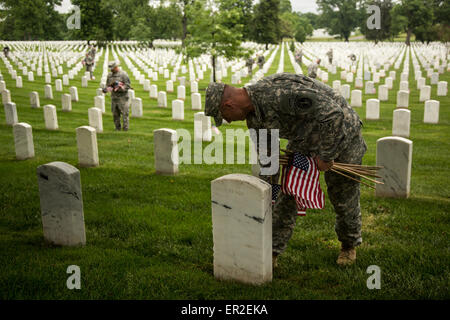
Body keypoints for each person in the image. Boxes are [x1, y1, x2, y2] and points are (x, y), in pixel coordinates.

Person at [205, 73, 367, 267]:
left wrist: (326, 156)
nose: (228, 122)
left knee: (343, 195)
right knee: (287, 193)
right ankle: (272, 251)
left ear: (228, 106)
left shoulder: (280, 96)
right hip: (305, 139)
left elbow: (333, 115)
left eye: (224, 117)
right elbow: (269, 162)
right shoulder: (254, 119)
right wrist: (267, 196)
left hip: (342, 132)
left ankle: (348, 245)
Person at [103, 61, 132, 131]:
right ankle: (117, 128)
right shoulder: (109, 75)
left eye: (113, 68)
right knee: (115, 114)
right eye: (111, 69)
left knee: (125, 114)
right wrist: (106, 89)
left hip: (123, 97)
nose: (111, 70)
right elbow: (108, 85)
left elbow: (128, 85)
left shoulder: (123, 74)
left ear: (116, 67)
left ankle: (125, 128)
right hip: (114, 97)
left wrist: (121, 87)